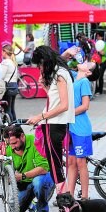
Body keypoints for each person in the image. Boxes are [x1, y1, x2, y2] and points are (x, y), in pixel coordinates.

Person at [26, 45, 74, 193]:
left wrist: (39, 117)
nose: (40, 68)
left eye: (40, 64)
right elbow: (55, 100)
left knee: (56, 169)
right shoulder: (59, 72)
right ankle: (66, 206)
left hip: (54, 125)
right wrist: (45, 87)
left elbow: (64, 105)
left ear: (45, 61)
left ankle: (66, 208)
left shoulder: (60, 74)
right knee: (56, 168)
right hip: (53, 124)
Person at [3, 125, 55, 212]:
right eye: (9, 144)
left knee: (38, 182)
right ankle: (31, 204)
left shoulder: (36, 142)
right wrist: (8, 175)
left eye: (14, 143)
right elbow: (6, 168)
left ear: (22, 136)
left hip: (42, 178)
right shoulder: (9, 147)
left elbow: (43, 168)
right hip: (24, 184)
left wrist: (22, 176)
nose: (12, 147)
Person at [66, 62, 93, 201]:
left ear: (88, 71)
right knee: (70, 162)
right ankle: (69, 194)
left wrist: (69, 113)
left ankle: (84, 196)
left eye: (87, 63)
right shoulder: (74, 77)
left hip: (81, 128)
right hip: (71, 127)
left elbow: (85, 106)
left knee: (81, 162)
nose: (83, 62)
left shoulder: (84, 81)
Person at [1, 44, 19, 121]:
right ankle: (15, 126)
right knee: (12, 109)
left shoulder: (5, 62)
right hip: (14, 86)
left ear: (5, 52)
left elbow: (1, 75)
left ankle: (10, 127)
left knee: (7, 110)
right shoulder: (13, 62)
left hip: (8, 87)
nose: (1, 53)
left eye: (2, 51)